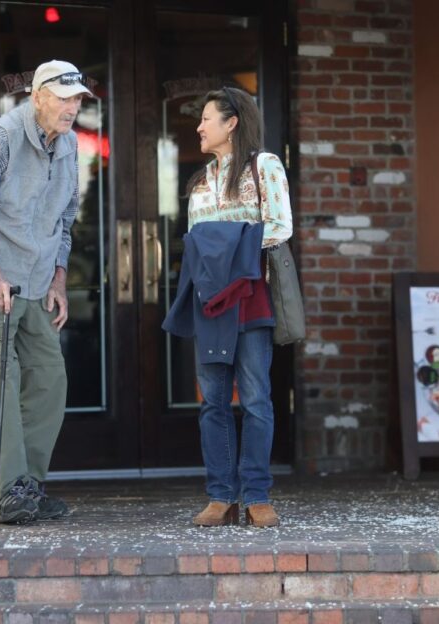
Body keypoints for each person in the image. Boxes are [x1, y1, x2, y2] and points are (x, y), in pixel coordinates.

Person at [0, 59, 92, 524]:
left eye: (77, 99)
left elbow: (65, 220)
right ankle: (10, 490)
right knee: (2, 386)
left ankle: (28, 486)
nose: (72, 107)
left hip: (36, 282)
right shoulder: (1, 136)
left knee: (50, 380)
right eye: (64, 97)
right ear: (37, 96)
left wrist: (58, 277)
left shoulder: (70, 145)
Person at [163, 87, 293, 528]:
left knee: (256, 399)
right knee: (212, 402)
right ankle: (221, 497)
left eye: (206, 119)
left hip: (252, 299)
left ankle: (256, 495)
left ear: (231, 122)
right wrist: (228, 244)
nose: (199, 127)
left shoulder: (265, 166)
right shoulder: (199, 182)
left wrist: (225, 244)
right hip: (210, 303)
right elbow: (196, 243)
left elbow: (280, 226)